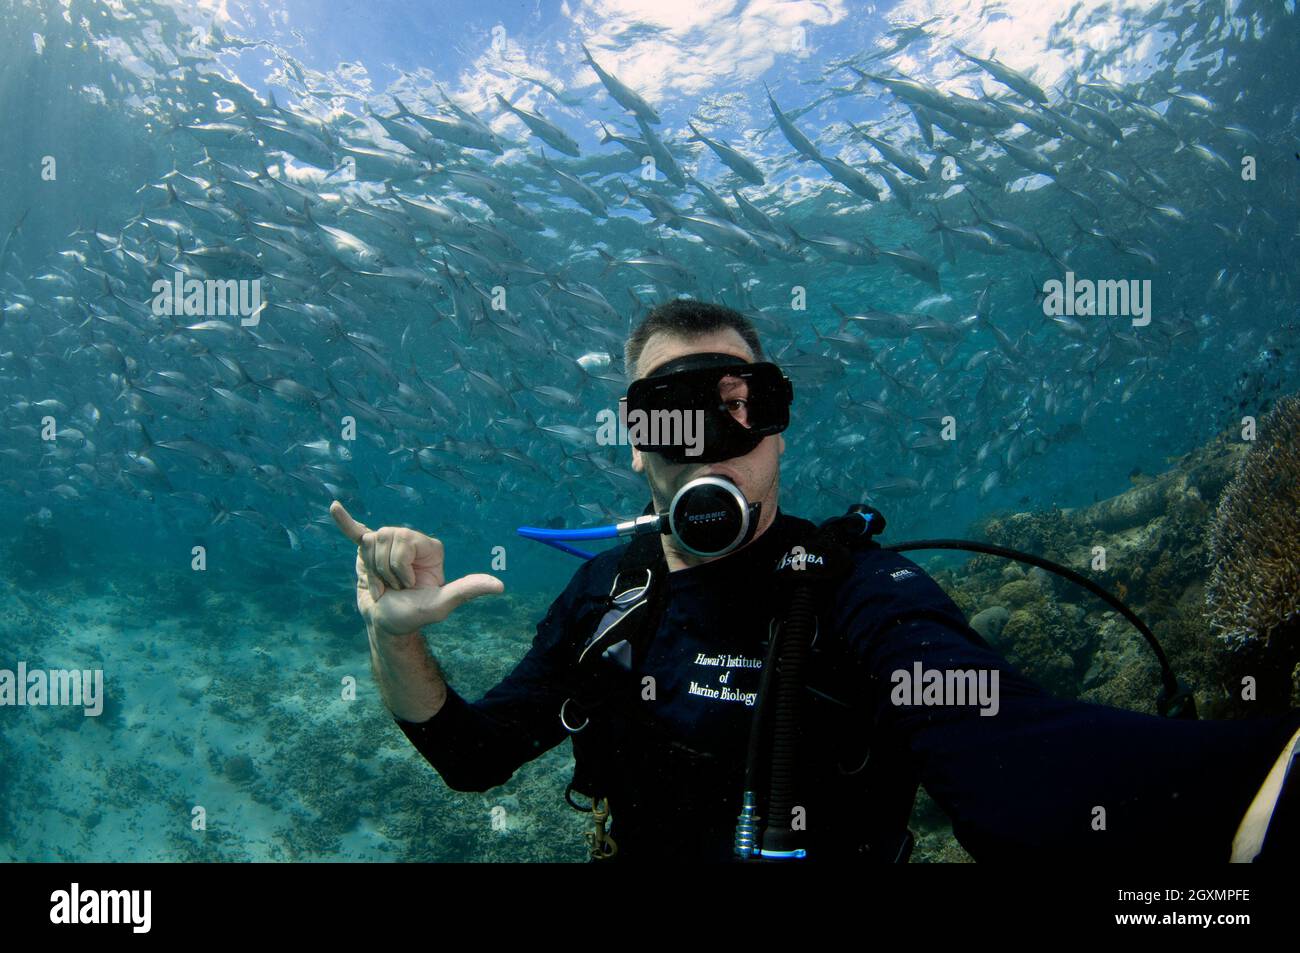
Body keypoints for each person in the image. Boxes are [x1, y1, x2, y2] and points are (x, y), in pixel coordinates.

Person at [330, 299, 1299, 862]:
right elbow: (472, 757)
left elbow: (1018, 769)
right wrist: (394, 632)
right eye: (671, 417)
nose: (710, 446)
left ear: (780, 427)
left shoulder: (854, 590)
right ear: (635, 448)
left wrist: (1254, 786)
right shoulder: (608, 597)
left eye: (738, 410)